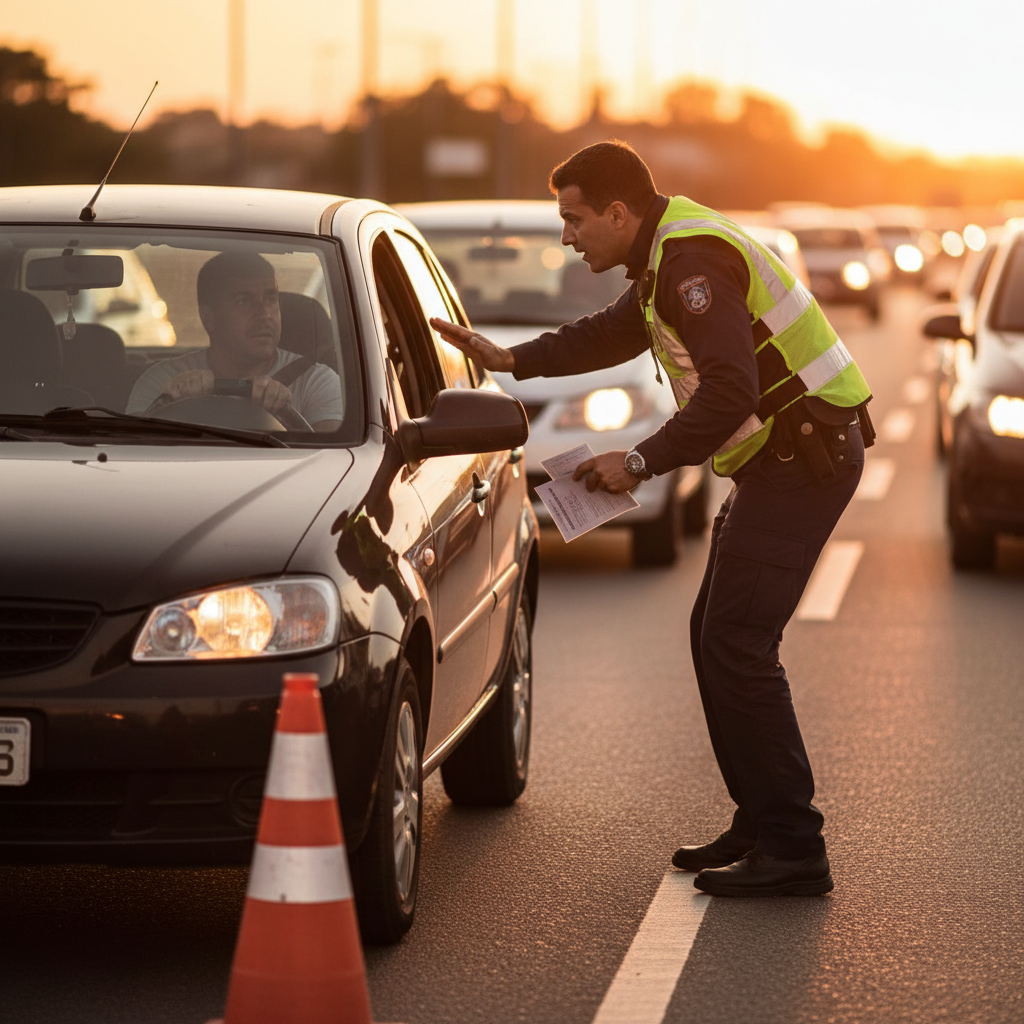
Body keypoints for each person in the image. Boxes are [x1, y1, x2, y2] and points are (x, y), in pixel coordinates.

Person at [430, 140, 873, 897]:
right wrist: (510, 360)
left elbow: (730, 391)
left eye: (573, 220)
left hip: (804, 460)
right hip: (783, 459)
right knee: (715, 635)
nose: (566, 236)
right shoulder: (662, 258)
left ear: (617, 212)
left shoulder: (691, 264)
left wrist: (637, 462)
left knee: (737, 642)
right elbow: (610, 332)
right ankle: (763, 821)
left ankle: (795, 843)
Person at [127, 252, 343, 431]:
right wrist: (171, 408)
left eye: (270, 299)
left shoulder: (317, 382)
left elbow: (334, 464)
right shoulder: (163, 385)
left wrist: (282, 416)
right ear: (209, 319)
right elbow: (132, 458)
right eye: (244, 301)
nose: (264, 313)